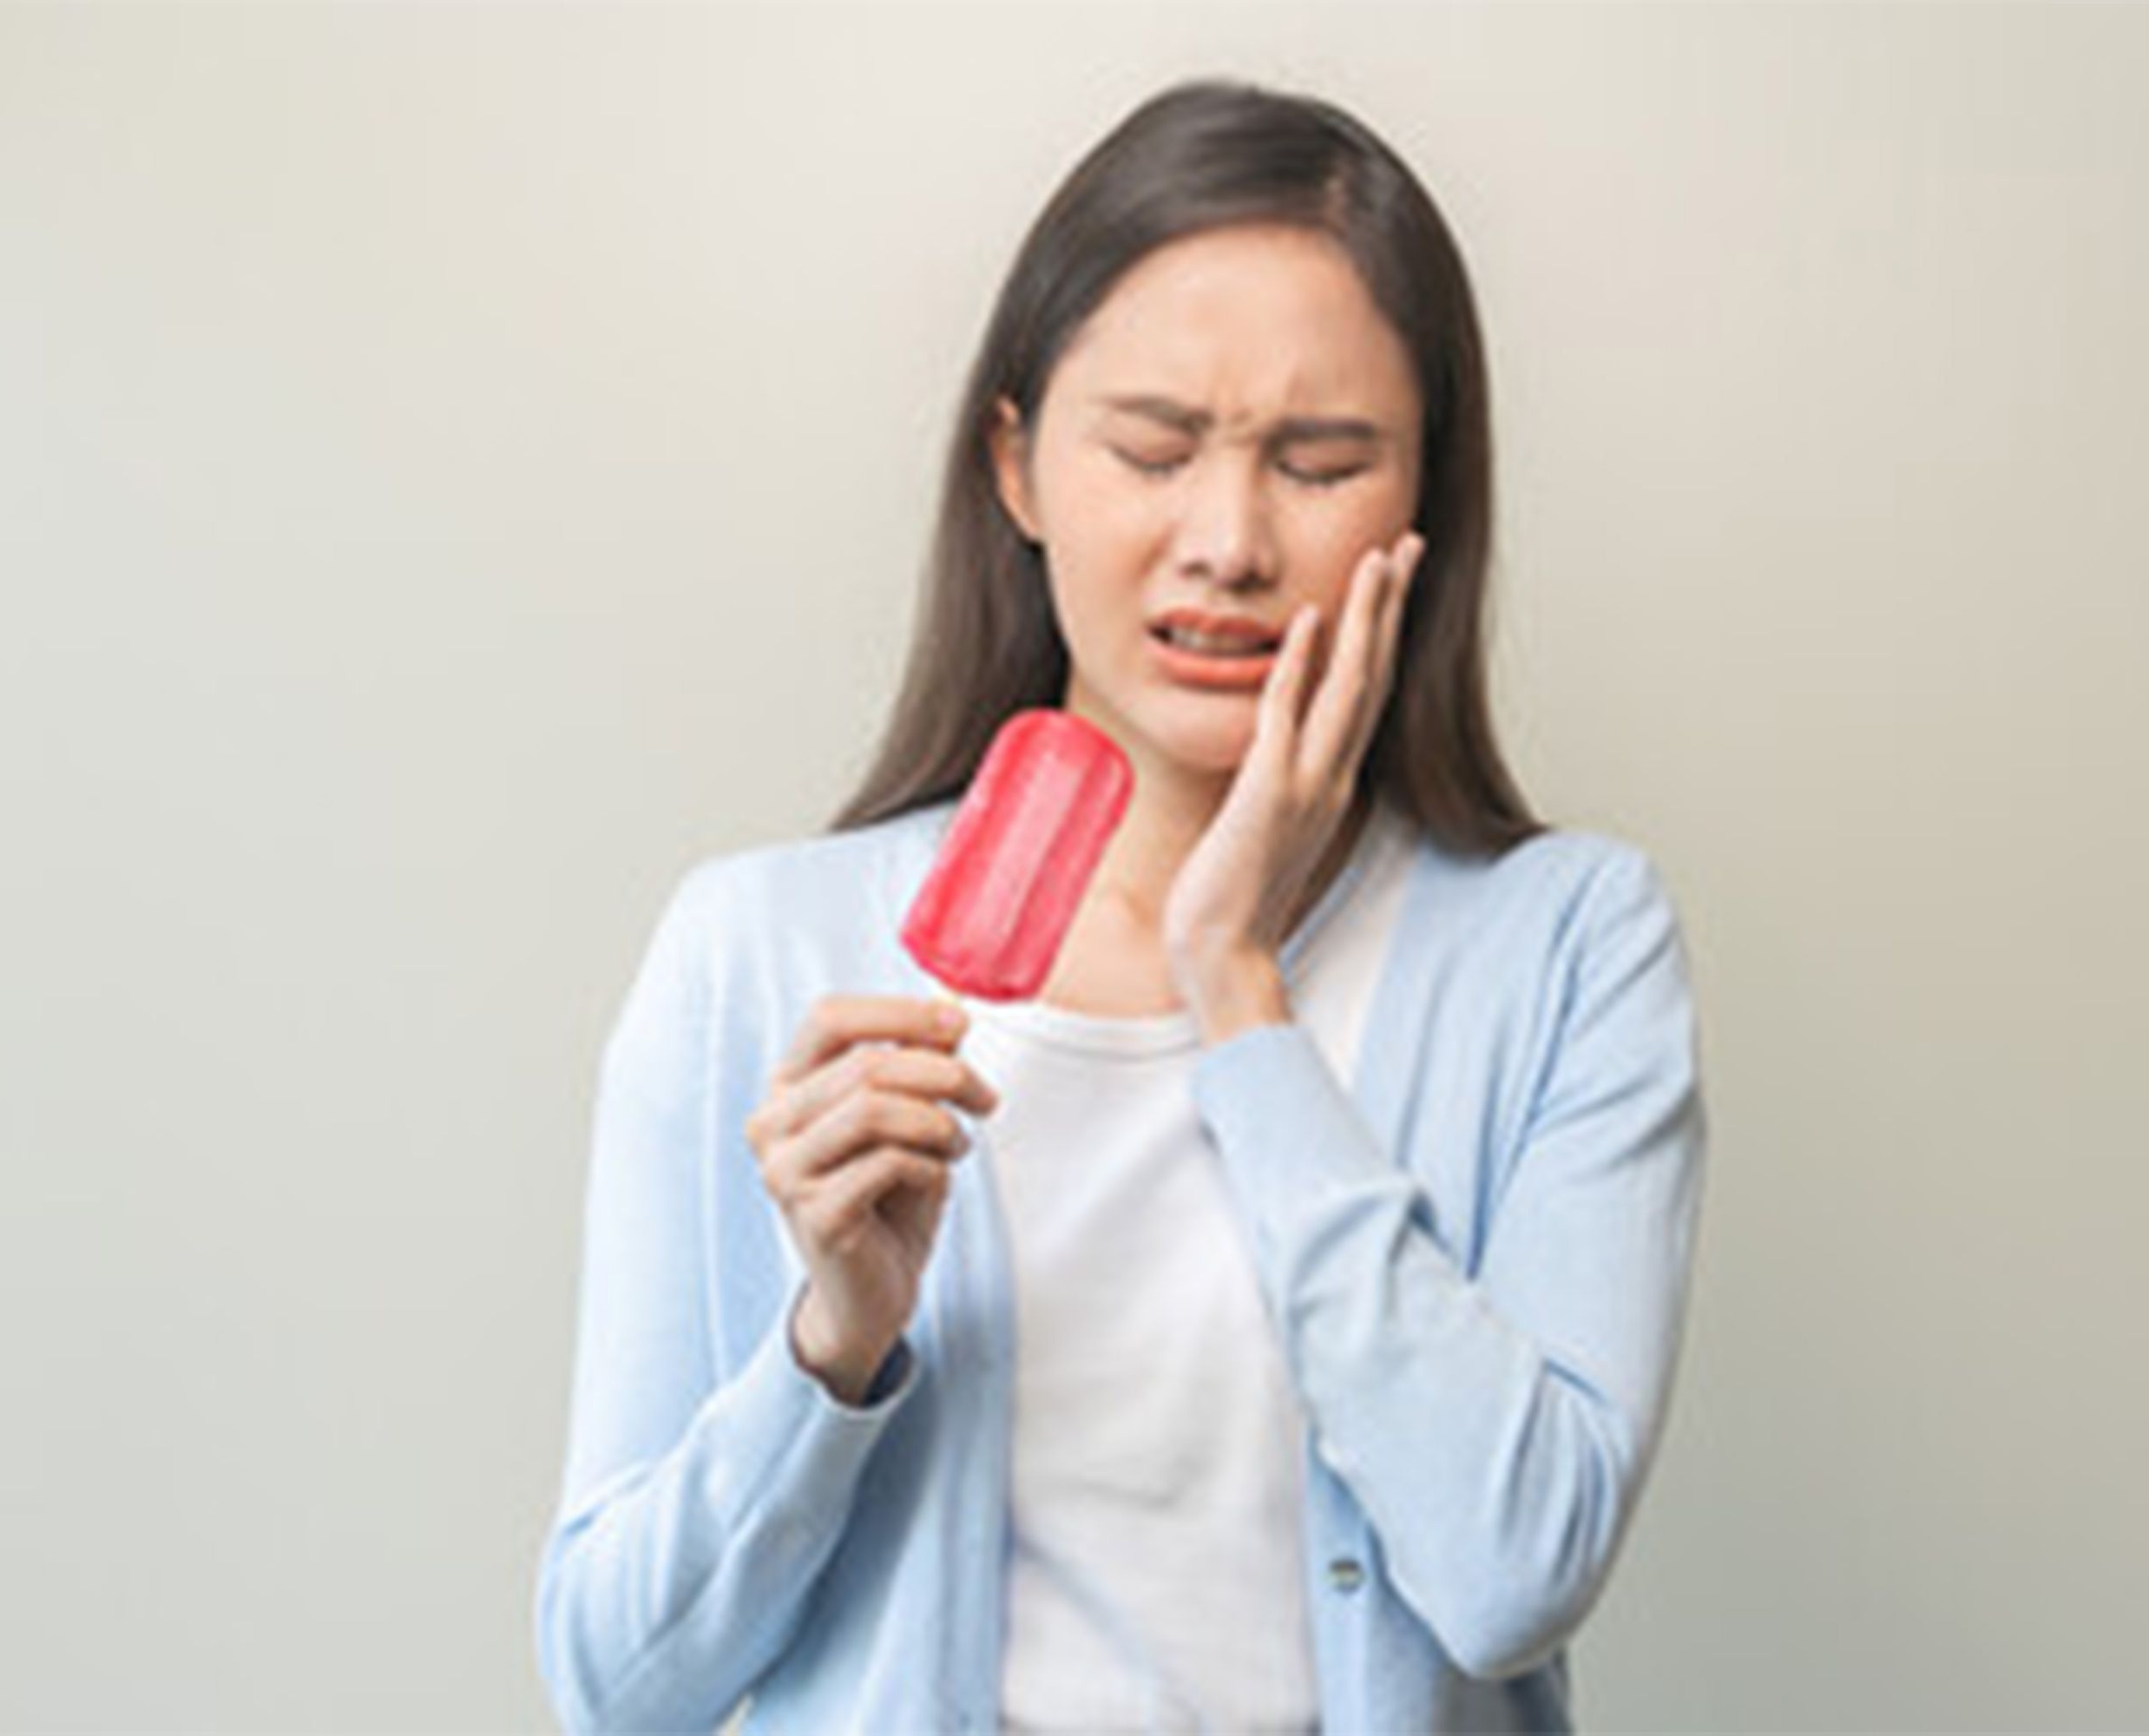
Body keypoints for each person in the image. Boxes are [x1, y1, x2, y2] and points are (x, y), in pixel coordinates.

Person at [535, 76, 1709, 1735]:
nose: (1226, 543)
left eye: (1321, 462)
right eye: (1151, 450)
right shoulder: (757, 953)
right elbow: (617, 1683)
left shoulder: (1566, 945)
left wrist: (1236, 986)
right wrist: (837, 1344)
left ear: (1425, 509)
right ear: (1015, 468)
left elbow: (1513, 1570)